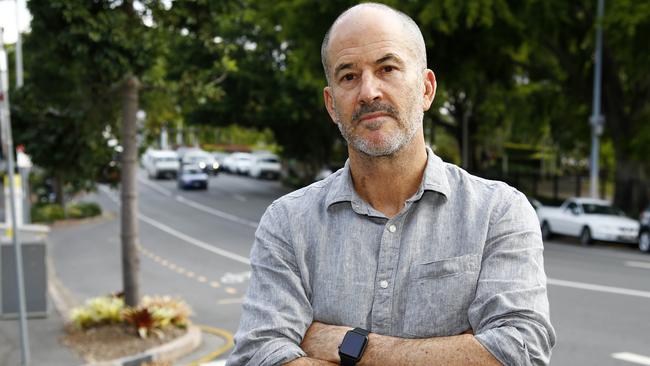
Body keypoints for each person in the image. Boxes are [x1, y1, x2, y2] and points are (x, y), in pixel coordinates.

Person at [227, 3, 555, 365]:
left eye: (387, 68)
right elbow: (257, 355)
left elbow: (520, 352)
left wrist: (348, 346)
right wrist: (458, 351)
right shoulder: (287, 222)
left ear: (427, 89)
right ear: (331, 104)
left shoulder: (498, 212)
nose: (369, 92)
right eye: (348, 76)